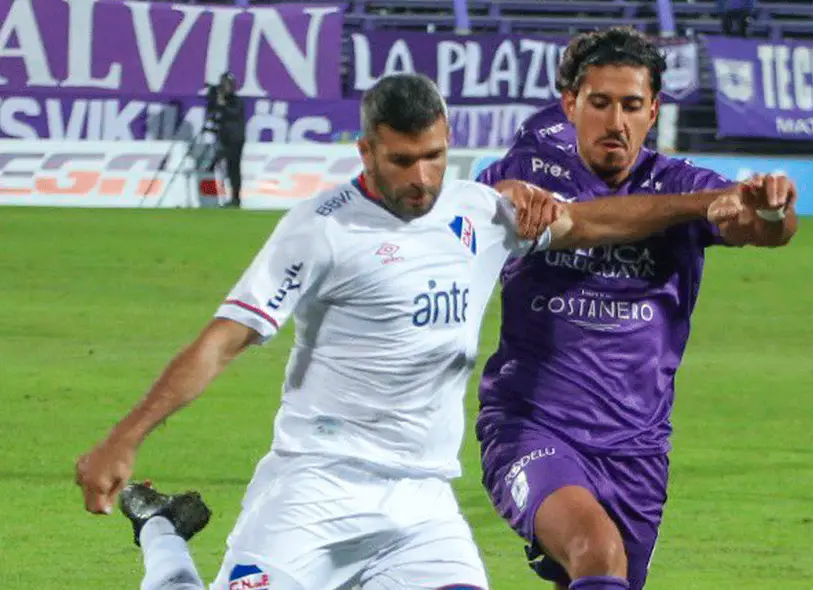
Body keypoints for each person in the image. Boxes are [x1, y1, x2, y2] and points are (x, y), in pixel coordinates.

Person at [74, 73, 755, 590]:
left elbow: (597, 222)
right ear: (366, 149)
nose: (422, 178)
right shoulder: (321, 230)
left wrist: (712, 203)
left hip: (421, 503)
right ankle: (160, 526)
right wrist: (124, 437)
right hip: (316, 486)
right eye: (402, 161)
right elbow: (224, 338)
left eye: (433, 156)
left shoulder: (484, 213)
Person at [475, 27, 798, 590]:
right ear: (571, 104)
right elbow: (548, 214)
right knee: (594, 551)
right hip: (530, 427)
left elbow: (759, 229)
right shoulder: (533, 174)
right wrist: (507, 195)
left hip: (637, 448)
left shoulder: (679, 181)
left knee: (606, 575)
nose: (615, 122)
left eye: (631, 106)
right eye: (599, 104)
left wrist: (770, 211)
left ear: (653, 111)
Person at [206, 72, 246, 208]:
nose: (224, 87)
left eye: (227, 84)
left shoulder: (236, 101)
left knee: (233, 168)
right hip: (223, 138)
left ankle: (236, 199)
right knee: (227, 168)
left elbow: (233, 114)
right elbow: (211, 112)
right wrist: (213, 97)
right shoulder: (220, 99)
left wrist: (222, 104)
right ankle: (222, 197)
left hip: (235, 139)